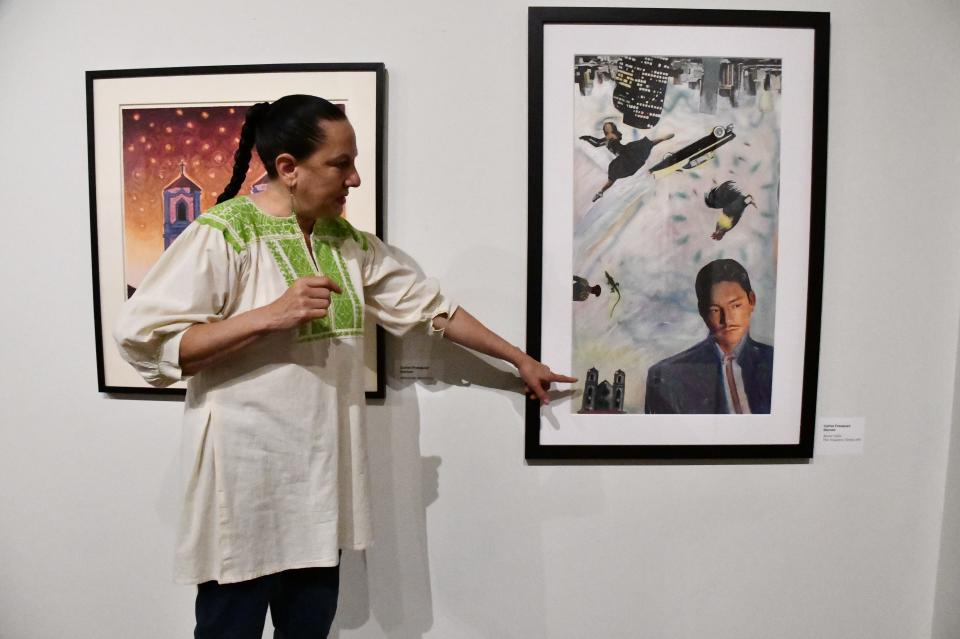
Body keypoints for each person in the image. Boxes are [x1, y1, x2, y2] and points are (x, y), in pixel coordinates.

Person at [113, 94, 575, 639]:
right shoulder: (225, 232)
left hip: (321, 476)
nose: (354, 179)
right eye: (340, 163)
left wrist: (519, 359)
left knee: (309, 628)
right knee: (227, 628)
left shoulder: (347, 243)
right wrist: (267, 316)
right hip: (243, 482)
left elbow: (432, 309)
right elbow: (142, 338)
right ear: (288, 168)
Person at [644, 258, 773, 414]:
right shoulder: (667, 376)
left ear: (751, 300)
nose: (727, 319)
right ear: (702, 312)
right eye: (715, 310)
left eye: (735, 305)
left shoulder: (775, 361)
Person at [579, 122, 674, 202]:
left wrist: (587, 138)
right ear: (604, 129)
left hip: (627, 152)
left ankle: (663, 138)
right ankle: (600, 192)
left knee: (647, 144)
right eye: (605, 127)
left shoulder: (610, 136)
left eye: (609, 126)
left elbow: (597, 142)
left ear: (612, 128)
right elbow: (597, 143)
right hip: (621, 157)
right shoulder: (605, 139)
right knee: (612, 178)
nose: (607, 127)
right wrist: (587, 138)